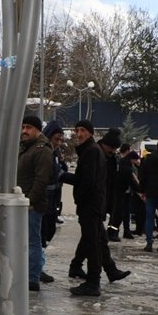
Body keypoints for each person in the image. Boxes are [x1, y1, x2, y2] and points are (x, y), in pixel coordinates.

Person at [64, 123, 129, 296]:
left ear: (91, 133)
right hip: (95, 203)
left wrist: (65, 178)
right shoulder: (92, 150)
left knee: (93, 243)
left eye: (83, 131)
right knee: (98, 241)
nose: (79, 134)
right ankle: (110, 271)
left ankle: (93, 282)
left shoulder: (92, 151)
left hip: (90, 205)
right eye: (77, 131)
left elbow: (87, 181)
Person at [17, 116, 55, 292]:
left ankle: (32, 278)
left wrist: (29, 201)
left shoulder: (41, 150)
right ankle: (26, 273)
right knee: (25, 241)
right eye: (23, 127)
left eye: (29, 127)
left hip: (31, 205)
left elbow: (41, 179)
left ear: (38, 130)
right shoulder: (27, 148)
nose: (25, 131)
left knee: (32, 241)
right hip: (23, 203)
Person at [39, 122, 68, 285]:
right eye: (56, 139)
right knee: (41, 234)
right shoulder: (45, 151)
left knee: (48, 231)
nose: (58, 142)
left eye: (60, 140)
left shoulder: (55, 152)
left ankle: (38, 265)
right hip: (44, 199)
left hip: (52, 200)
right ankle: (37, 267)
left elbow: (59, 173)